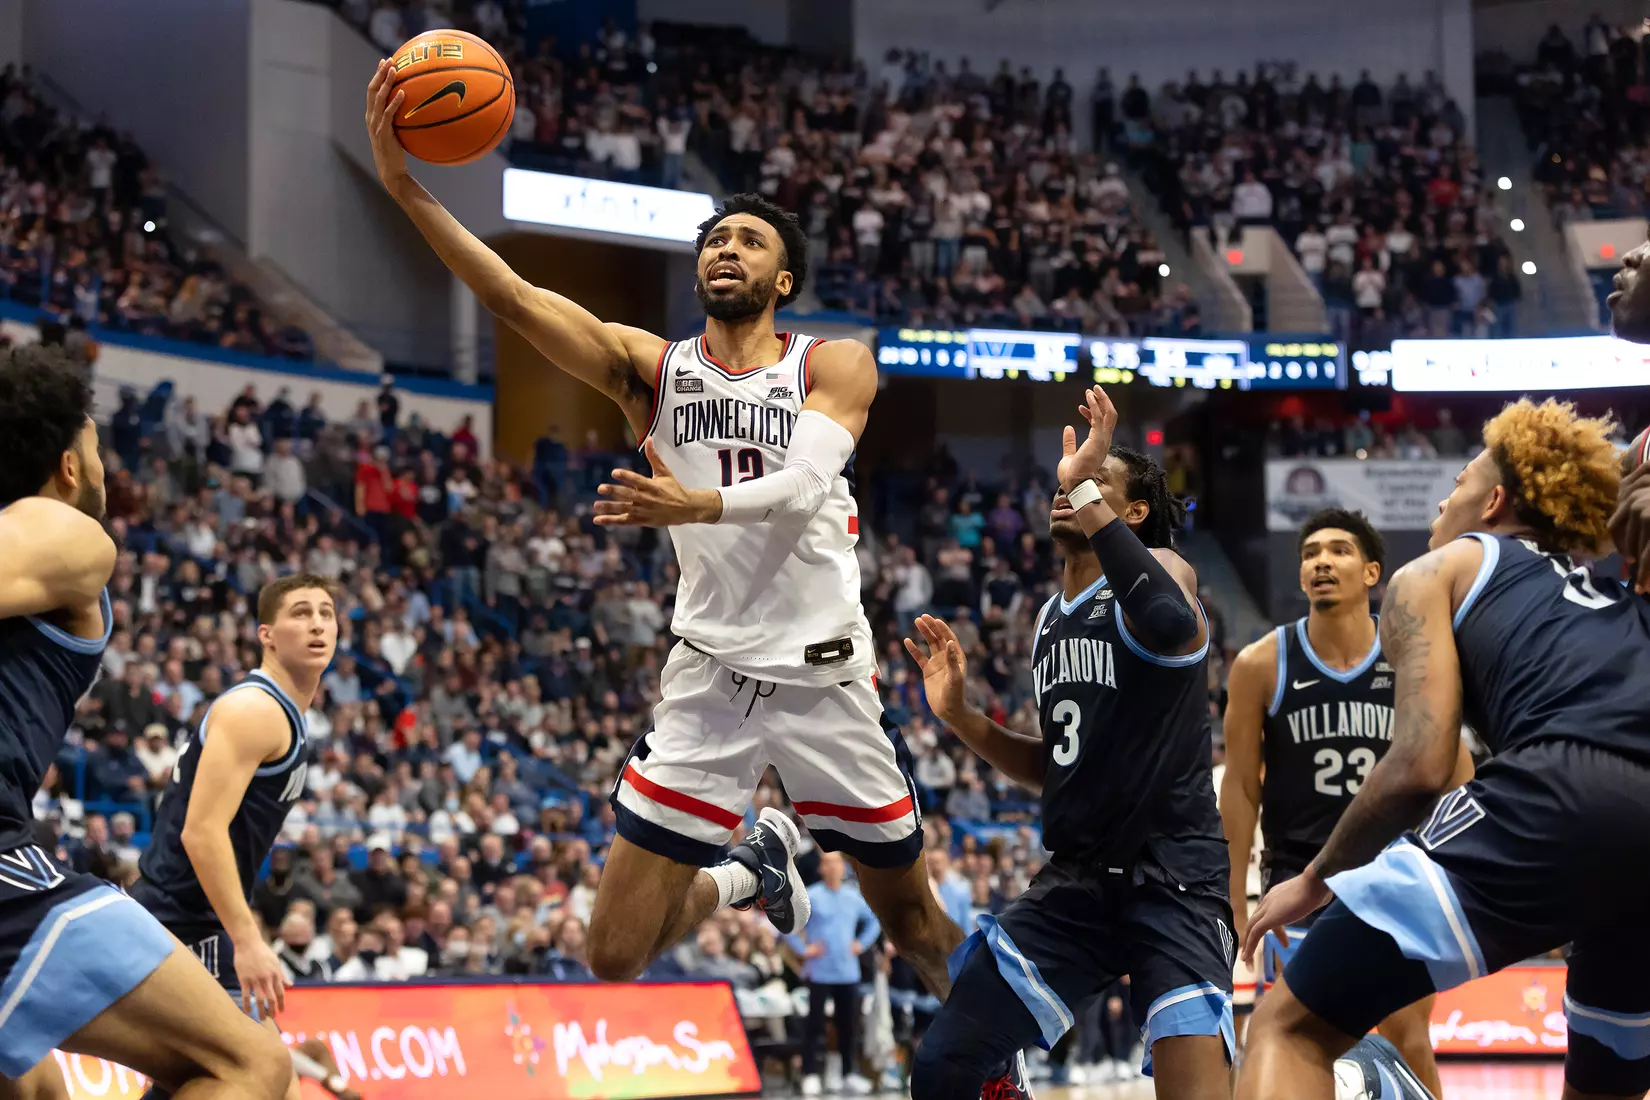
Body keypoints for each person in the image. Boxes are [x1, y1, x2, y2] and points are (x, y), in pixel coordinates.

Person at [363, 64, 961, 998]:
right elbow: (516, 299)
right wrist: (405, 187)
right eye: (715, 239)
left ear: (783, 277)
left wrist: (699, 505)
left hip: (824, 678)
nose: (727, 249)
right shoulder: (650, 369)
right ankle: (747, 871)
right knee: (613, 955)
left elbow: (806, 484)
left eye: (750, 240)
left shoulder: (833, 364)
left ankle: (1000, 1069)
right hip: (710, 678)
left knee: (919, 928)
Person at [1238, 399, 1650, 1100]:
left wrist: (1315, 881)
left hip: (1564, 782)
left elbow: (1422, 764)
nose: (1440, 499)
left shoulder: (1445, 567)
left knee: (1288, 1024)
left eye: (1457, 480)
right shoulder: (1617, 595)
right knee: (1604, 1087)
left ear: (1493, 502)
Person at [904, 387, 1233, 1100]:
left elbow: (1171, 622)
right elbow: (1055, 767)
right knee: (943, 1069)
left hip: (1173, 880)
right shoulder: (1051, 617)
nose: (1064, 486)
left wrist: (1084, 486)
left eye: (1089, 480)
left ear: (1132, 512)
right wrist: (961, 717)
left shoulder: (1167, 572)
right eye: (1063, 479)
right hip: (1078, 882)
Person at [0, 345, 290, 1098]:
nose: (105, 462)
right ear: (69, 464)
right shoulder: (62, 528)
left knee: (31, 1084)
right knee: (250, 1063)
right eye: (96, 444)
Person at [1220, 509, 1459, 1097]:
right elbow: (1242, 788)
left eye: (1339, 551)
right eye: (1309, 554)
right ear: (1300, 576)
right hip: (1296, 880)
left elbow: (1458, 776)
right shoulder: (1260, 665)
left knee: (1408, 1034)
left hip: (1398, 874)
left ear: (1372, 571)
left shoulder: (1412, 657)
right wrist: (1231, 896)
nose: (1321, 561)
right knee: (1299, 1042)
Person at [130, 574, 360, 1100]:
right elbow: (201, 833)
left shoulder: (290, 714)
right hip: (184, 923)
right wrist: (248, 939)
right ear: (266, 634)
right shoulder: (256, 710)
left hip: (197, 919)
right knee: (261, 1075)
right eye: (301, 613)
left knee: (243, 1079)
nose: (318, 623)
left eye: (326, 612)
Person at [792, 852, 880, 1097]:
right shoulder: (811, 896)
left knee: (848, 1026)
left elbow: (874, 921)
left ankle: (848, 1072)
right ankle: (810, 1073)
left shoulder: (853, 897)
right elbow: (787, 925)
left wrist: (861, 944)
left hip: (847, 971)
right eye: (827, 864)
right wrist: (803, 949)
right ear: (821, 868)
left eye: (836, 864)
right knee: (814, 1025)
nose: (832, 868)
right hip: (820, 971)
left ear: (843, 868)